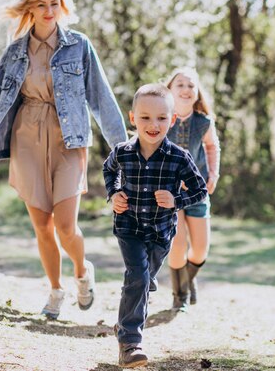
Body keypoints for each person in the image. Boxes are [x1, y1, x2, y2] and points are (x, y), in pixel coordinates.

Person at [0, 0, 127, 320]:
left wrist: (123, 148)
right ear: (30, 8)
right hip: (26, 136)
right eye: (41, 4)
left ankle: (82, 270)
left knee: (66, 225)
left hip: (69, 138)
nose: (48, 10)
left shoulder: (79, 46)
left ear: (63, 7)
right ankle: (56, 290)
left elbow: (102, 98)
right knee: (42, 225)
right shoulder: (14, 52)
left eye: (54, 4)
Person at [103, 83, 208, 368]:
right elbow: (109, 170)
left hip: (162, 233)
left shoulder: (178, 157)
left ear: (172, 121)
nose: (153, 124)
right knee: (137, 275)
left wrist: (176, 199)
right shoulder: (122, 152)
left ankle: (123, 326)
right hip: (129, 227)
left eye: (162, 118)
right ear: (132, 118)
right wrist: (113, 194)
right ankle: (130, 343)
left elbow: (200, 190)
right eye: (146, 117)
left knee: (143, 281)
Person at [165, 68, 220, 311]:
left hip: (197, 190)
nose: (186, 89)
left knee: (199, 250)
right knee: (177, 245)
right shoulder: (162, 117)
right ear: (169, 90)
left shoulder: (203, 122)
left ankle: (188, 279)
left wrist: (213, 173)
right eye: (180, 85)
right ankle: (180, 296)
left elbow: (212, 147)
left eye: (191, 86)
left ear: (197, 94)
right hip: (169, 192)